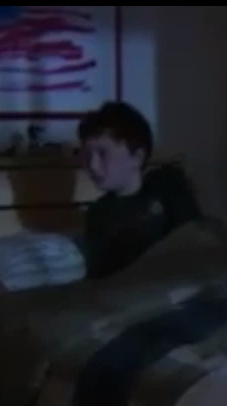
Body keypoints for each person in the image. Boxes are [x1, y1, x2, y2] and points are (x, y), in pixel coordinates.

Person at [76, 101, 202, 279]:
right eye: (87, 155)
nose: (92, 165)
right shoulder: (98, 214)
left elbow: (195, 240)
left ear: (137, 157)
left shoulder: (169, 184)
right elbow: (101, 278)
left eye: (103, 153)